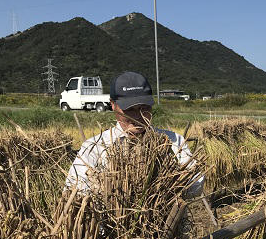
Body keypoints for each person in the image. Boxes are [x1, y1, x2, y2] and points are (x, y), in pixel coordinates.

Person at [65, 71, 203, 196]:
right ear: (113, 104)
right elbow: (73, 190)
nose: (138, 116)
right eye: (130, 110)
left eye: (145, 108)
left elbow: (196, 186)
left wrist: (167, 182)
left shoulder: (173, 141)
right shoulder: (95, 147)